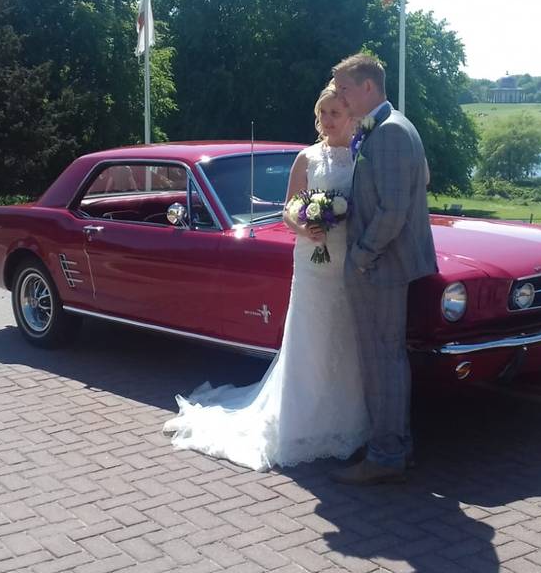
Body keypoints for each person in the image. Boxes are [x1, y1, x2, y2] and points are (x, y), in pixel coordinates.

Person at [162, 84, 369, 472]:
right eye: (322, 113)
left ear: (352, 116)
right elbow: (289, 210)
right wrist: (306, 226)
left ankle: (348, 422)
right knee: (310, 337)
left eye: (334, 114)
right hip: (312, 257)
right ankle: (302, 423)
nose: (326, 121)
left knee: (345, 338)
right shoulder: (307, 159)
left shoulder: (363, 156)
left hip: (348, 259)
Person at [329, 53, 437, 485]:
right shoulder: (389, 126)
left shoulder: (389, 132)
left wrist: (361, 255)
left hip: (381, 267)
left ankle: (386, 454)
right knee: (386, 358)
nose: (340, 96)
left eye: (345, 89)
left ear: (369, 88)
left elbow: (393, 210)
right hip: (385, 264)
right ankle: (396, 447)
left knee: (382, 360)